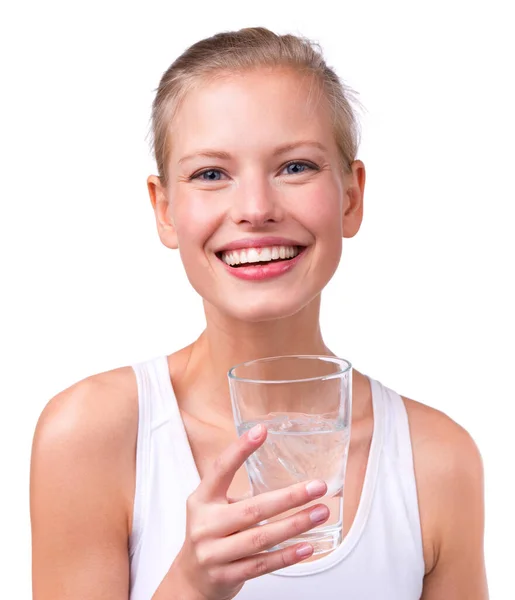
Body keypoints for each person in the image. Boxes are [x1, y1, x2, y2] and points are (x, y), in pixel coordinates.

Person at [30, 27, 488, 600]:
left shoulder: (437, 460)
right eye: (211, 174)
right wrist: (190, 586)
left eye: (295, 167)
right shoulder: (93, 437)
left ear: (352, 197)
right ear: (164, 209)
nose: (255, 210)